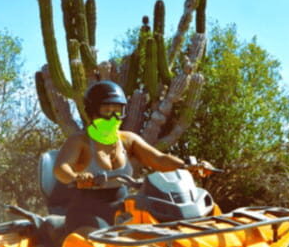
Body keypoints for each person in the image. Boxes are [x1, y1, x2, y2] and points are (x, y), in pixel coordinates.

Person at [53, 80, 210, 236]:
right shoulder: (80, 141)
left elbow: (159, 159)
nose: (114, 116)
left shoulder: (127, 139)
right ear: (92, 112)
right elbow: (61, 168)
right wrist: (77, 177)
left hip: (124, 210)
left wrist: (187, 167)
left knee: (161, 238)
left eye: (118, 110)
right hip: (87, 214)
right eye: (107, 110)